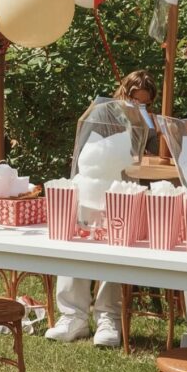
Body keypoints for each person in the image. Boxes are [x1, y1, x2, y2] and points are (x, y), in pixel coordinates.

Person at [45, 69, 158, 348]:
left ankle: (109, 317)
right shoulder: (100, 112)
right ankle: (73, 315)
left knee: (115, 255)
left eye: (144, 102)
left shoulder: (146, 123)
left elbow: (148, 158)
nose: (138, 106)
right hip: (88, 190)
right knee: (75, 251)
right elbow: (83, 150)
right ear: (123, 92)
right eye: (134, 99)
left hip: (121, 194)